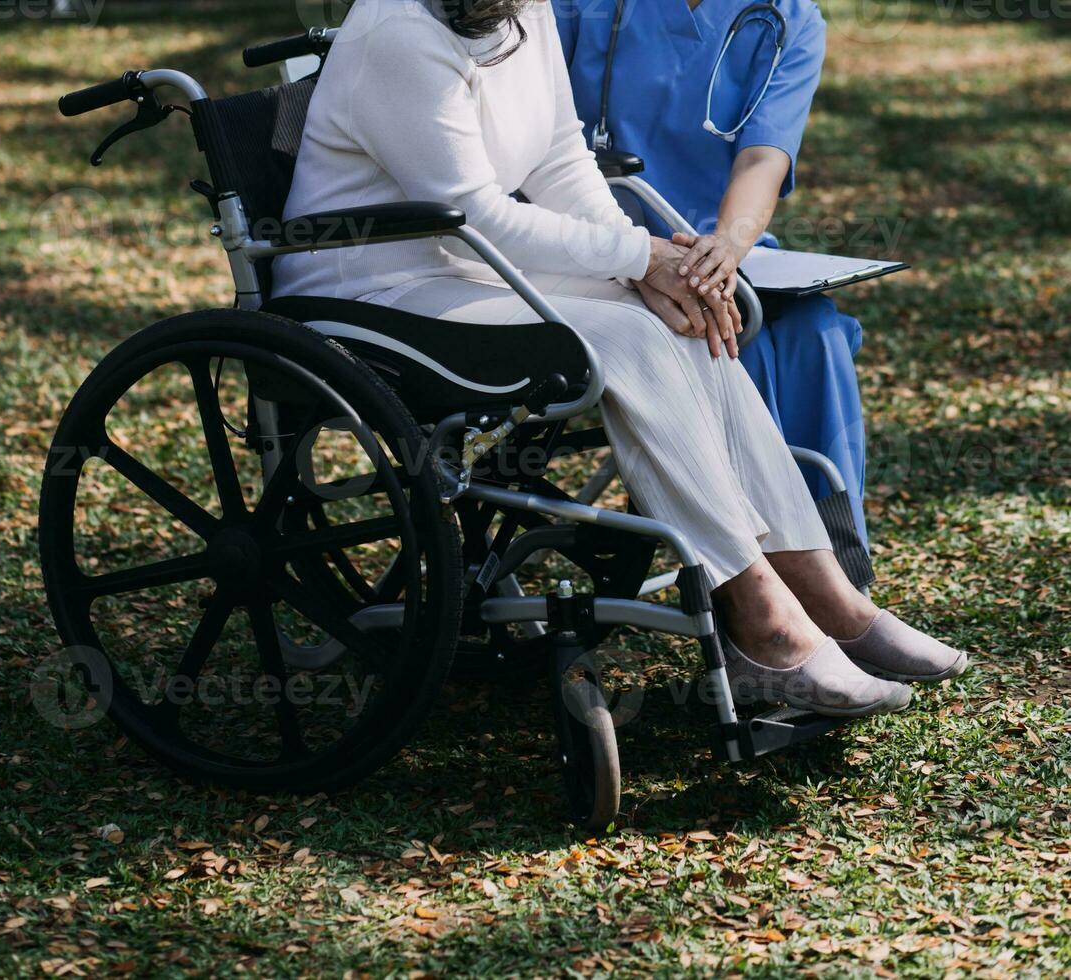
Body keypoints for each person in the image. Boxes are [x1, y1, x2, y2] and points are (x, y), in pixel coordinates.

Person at [273, 0, 968, 716]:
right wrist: (636, 254)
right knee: (630, 335)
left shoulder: (521, 8)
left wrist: (642, 267)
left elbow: (558, 153)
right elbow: (474, 210)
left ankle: (828, 596)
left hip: (463, 270)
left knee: (685, 317)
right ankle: (763, 621)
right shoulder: (399, 28)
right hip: (371, 290)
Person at [554, 0, 871, 546]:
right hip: (595, 247)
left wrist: (725, 245)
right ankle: (758, 568)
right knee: (720, 333)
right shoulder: (577, 8)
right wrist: (639, 257)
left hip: (719, 251)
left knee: (812, 335)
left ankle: (836, 560)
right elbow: (533, 138)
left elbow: (762, 158)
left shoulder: (790, 18)